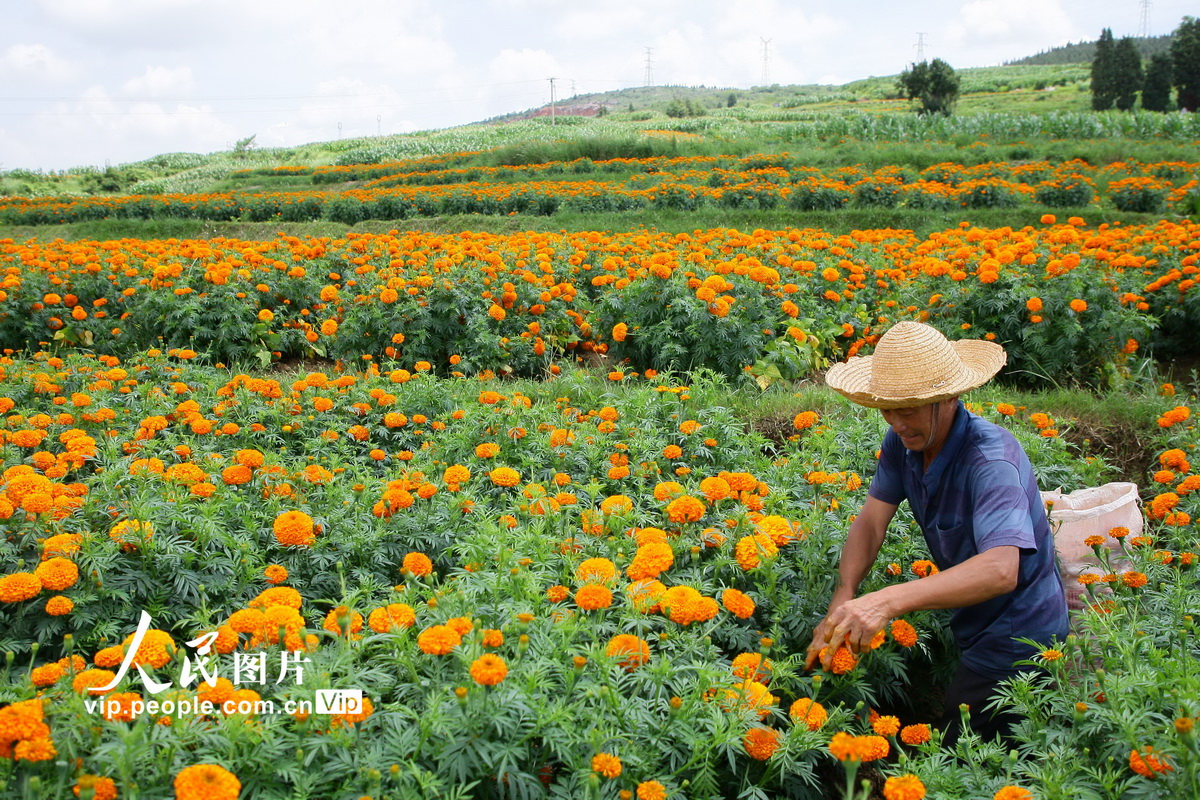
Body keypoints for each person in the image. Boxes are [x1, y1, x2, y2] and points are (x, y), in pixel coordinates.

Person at [804, 320, 1069, 744]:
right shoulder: (905, 442)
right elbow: (871, 523)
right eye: (887, 408)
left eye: (906, 408)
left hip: (1019, 633)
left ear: (947, 399)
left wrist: (885, 602)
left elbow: (1002, 569)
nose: (895, 421)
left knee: (966, 755)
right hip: (972, 618)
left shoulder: (990, 462)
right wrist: (845, 594)